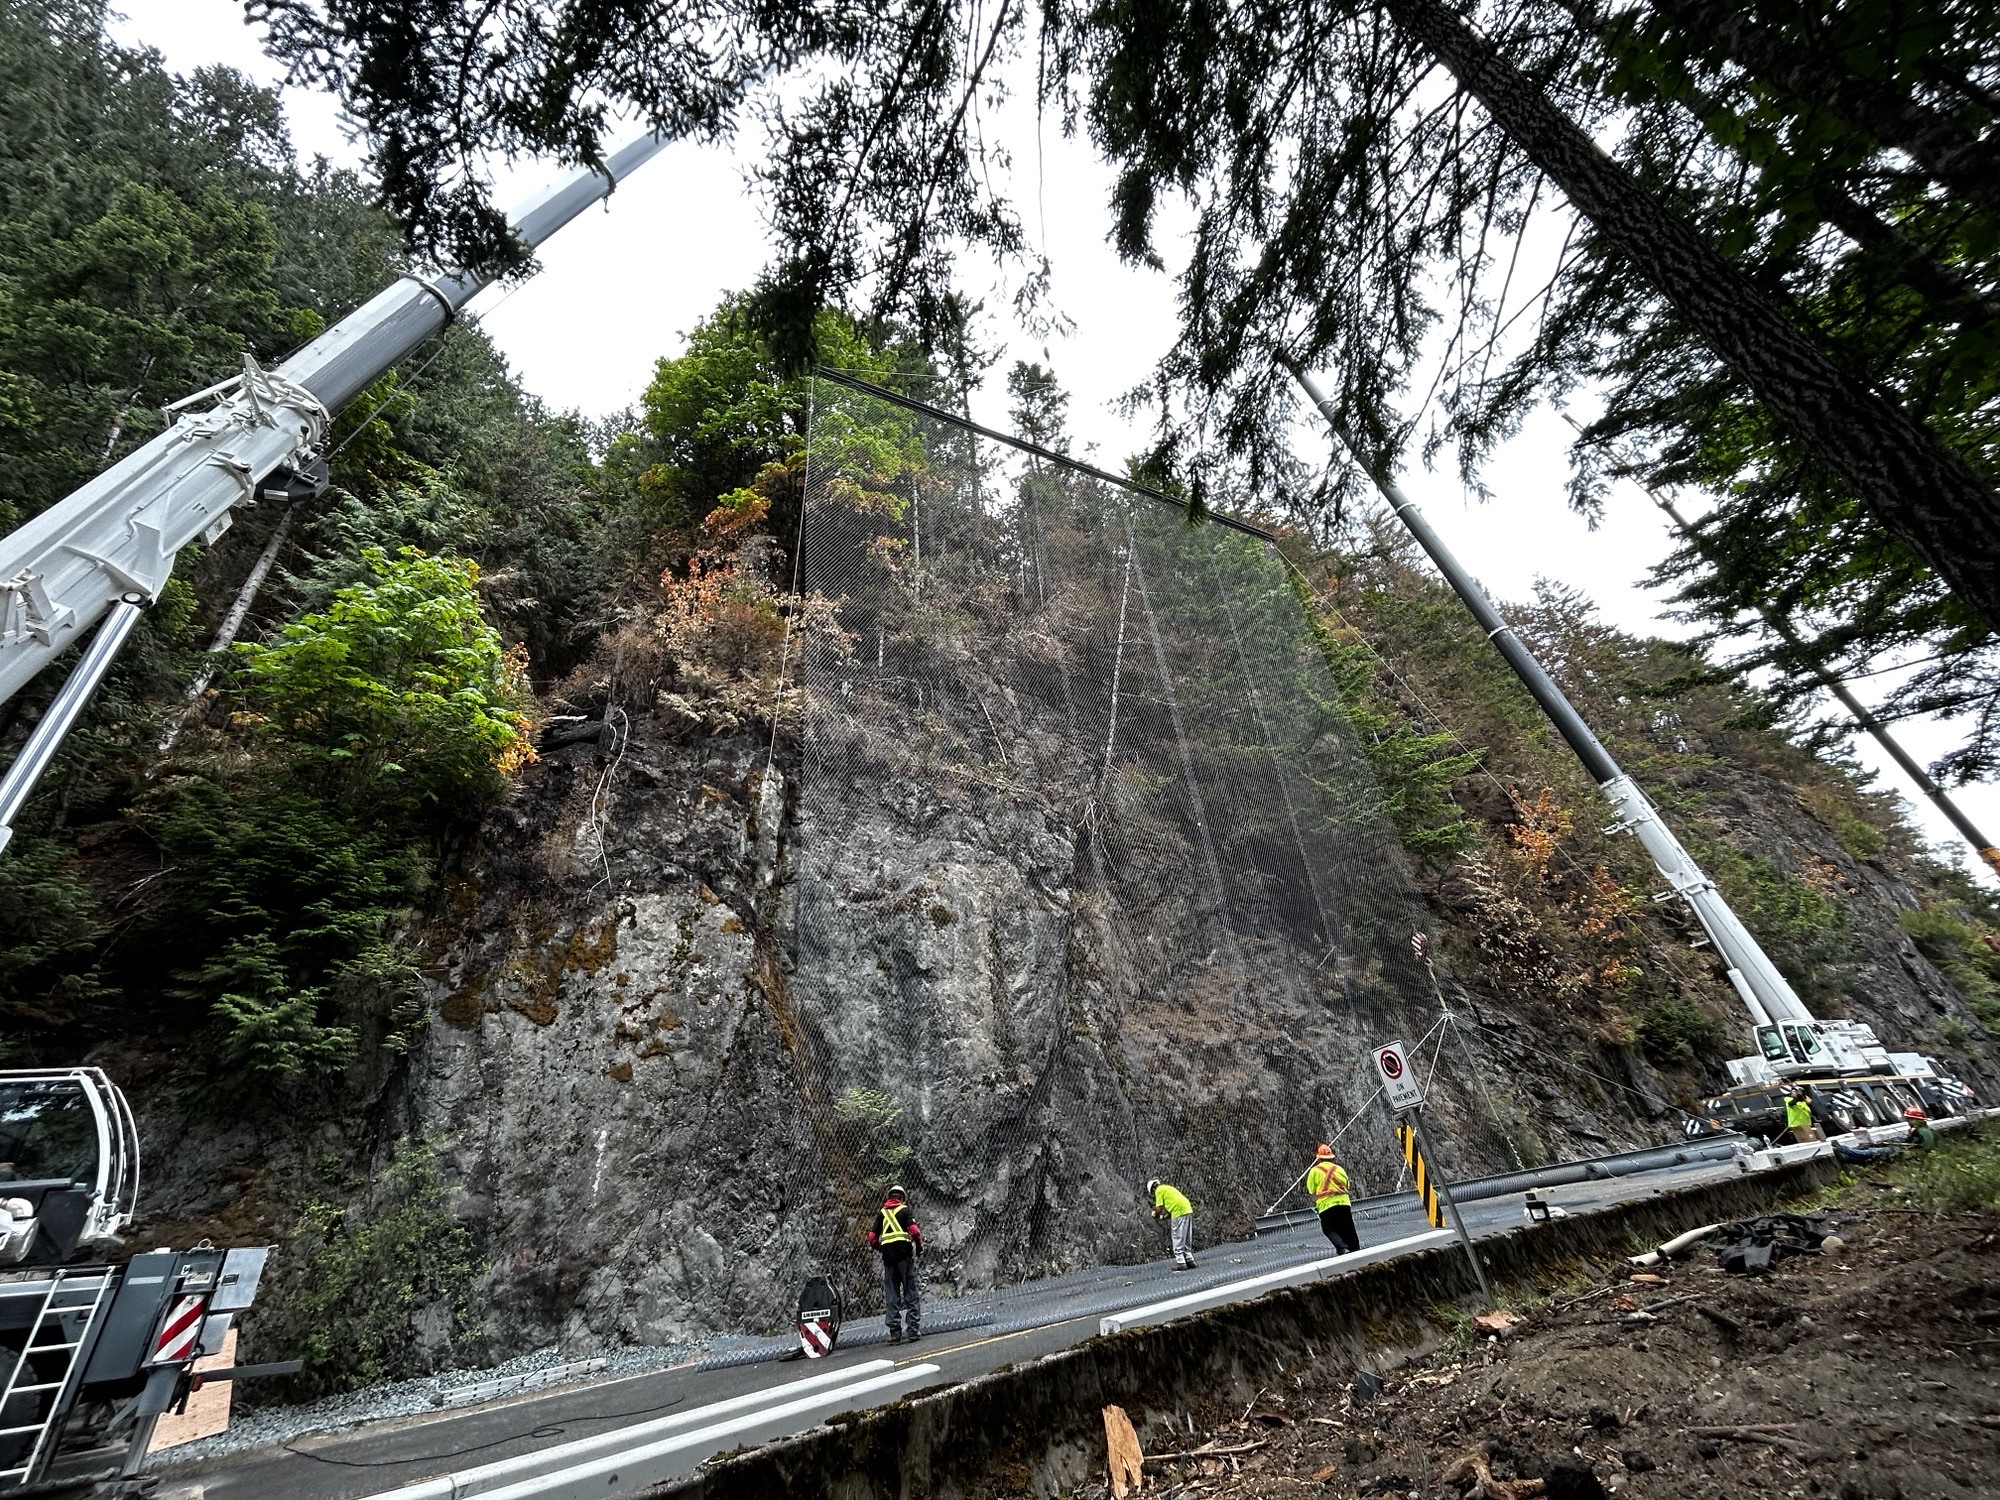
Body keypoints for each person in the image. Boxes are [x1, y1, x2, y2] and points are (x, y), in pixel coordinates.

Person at [866, 1184, 924, 1344]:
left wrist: (882, 1249)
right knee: (910, 1292)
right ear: (902, 1198)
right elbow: (915, 1231)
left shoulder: (881, 1214)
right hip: (905, 1257)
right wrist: (919, 1247)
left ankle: (894, 1334)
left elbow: (872, 1238)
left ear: (889, 1197)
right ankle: (912, 1330)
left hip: (889, 1259)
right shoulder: (905, 1211)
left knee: (892, 1295)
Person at [1305, 1143, 1359, 1255]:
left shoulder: (1314, 1171)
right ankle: (1355, 1249)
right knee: (1348, 1227)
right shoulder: (1339, 1169)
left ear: (1318, 1158)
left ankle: (1342, 1248)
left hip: (1326, 1205)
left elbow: (1311, 1190)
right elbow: (1347, 1184)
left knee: (1329, 1229)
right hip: (1344, 1203)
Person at [1147, 1178, 1196, 1270]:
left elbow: (1159, 1209)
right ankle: (1189, 1259)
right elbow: (1171, 1208)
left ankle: (1181, 1261)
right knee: (1186, 1235)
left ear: (1153, 1189)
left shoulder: (1159, 1190)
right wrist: (1163, 1218)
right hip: (1187, 1208)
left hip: (1178, 1212)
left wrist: (1155, 1214)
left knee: (1177, 1236)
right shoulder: (1168, 1188)